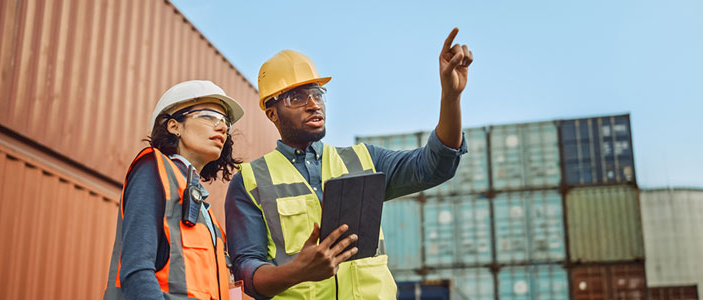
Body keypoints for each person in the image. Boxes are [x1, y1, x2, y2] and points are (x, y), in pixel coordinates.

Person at [225, 28, 474, 299]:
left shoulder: (364, 160)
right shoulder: (250, 181)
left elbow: (435, 166)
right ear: (272, 113)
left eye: (317, 93)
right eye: (296, 97)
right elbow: (246, 274)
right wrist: (298, 271)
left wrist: (451, 97)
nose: (313, 104)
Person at [104, 80, 245, 300]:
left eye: (225, 121)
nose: (222, 127)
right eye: (209, 116)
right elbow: (136, 270)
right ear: (174, 126)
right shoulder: (153, 168)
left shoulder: (210, 221)